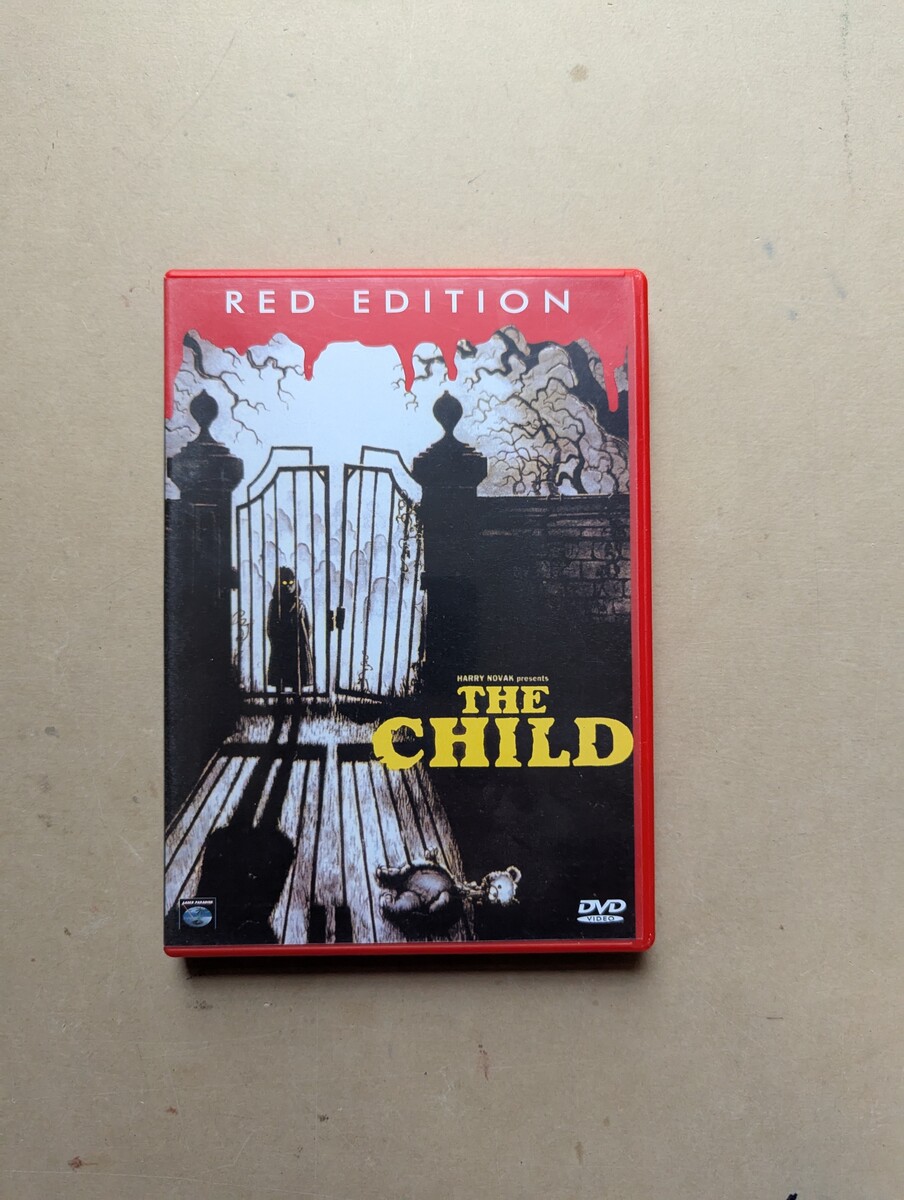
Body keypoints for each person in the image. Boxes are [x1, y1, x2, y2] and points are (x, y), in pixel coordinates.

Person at [266, 567, 314, 692]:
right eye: (284, 583)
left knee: (297, 674)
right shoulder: (274, 604)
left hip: (297, 644)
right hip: (281, 643)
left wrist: (303, 641)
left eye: (291, 583)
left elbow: (308, 626)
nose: (288, 586)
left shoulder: (300, 604)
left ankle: (298, 698)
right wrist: (275, 640)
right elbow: (270, 625)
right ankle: (280, 699)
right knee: (280, 674)